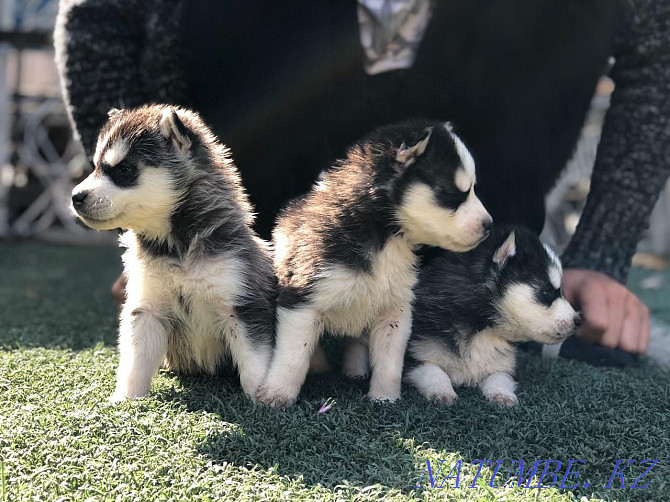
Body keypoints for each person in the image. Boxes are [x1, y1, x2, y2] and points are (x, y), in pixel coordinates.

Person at [55, 0, 669, 361]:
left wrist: (601, 254)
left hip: (482, 270)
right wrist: (159, 226)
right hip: (246, 235)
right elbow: (102, 16)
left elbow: (656, 52)